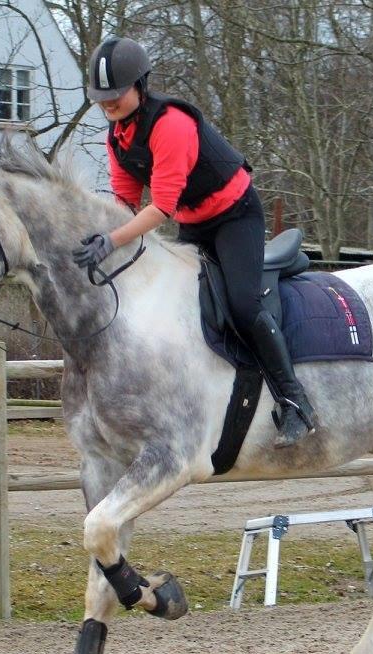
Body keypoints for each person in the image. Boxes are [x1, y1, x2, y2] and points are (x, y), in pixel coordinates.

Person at [76, 37, 317, 448]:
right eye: (102, 98)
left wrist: (111, 239)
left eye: (116, 95)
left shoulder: (171, 124)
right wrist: (104, 237)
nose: (109, 105)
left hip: (234, 216)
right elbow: (125, 203)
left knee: (242, 304)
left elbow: (160, 208)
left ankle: (296, 402)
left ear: (140, 85)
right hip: (194, 223)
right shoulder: (118, 136)